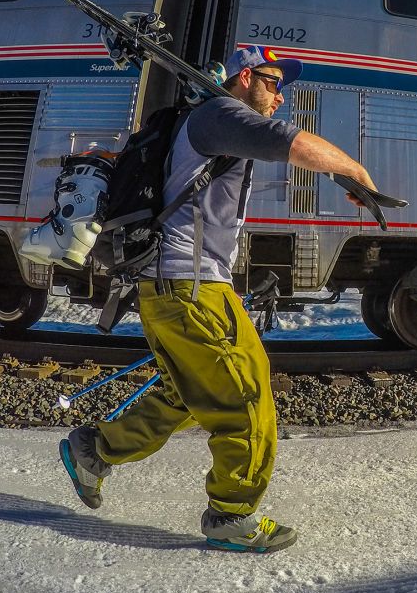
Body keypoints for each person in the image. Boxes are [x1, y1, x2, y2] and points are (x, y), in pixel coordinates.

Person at [59, 45, 376, 553]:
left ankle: (94, 450)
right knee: (247, 398)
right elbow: (288, 142)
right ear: (245, 77)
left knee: (190, 393)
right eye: (273, 83)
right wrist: (356, 170)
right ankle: (231, 515)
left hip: (170, 286)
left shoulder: (202, 120)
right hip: (192, 288)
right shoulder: (220, 114)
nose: (280, 95)